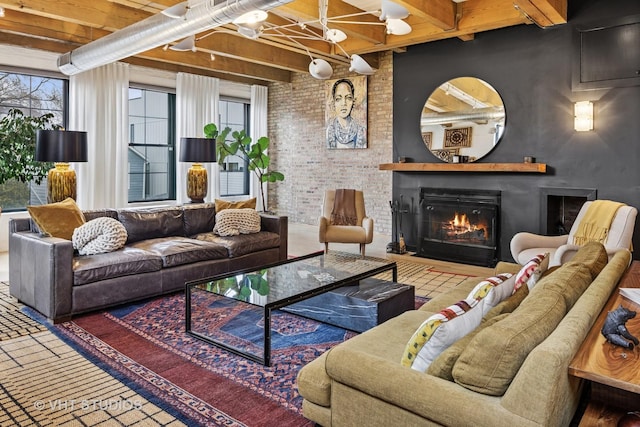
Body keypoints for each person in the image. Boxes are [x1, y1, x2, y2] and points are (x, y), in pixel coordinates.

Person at [326, 78, 366, 149]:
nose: (344, 103)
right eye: (338, 99)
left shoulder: (361, 131)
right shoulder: (329, 131)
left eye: (348, 98)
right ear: (334, 102)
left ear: (353, 101)